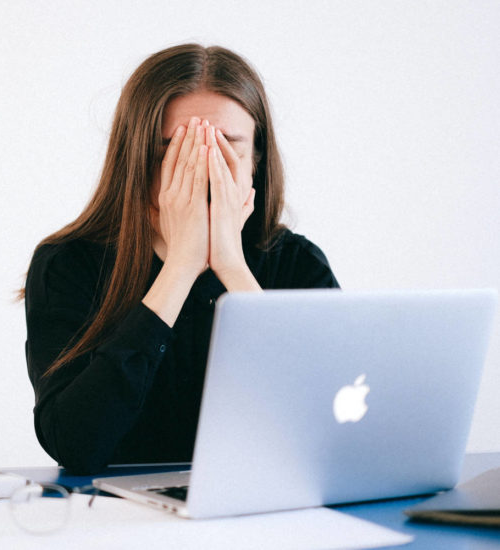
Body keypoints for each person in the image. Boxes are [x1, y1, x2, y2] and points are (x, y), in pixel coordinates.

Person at [22, 44, 339, 475]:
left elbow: (327, 431)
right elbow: (76, 444)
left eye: (226, 150)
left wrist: (231, 267)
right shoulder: (67, 264)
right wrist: (180, 268)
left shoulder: (297, 264)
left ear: (256, 163)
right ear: (136, 161)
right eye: (174, 152)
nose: (203, 171)